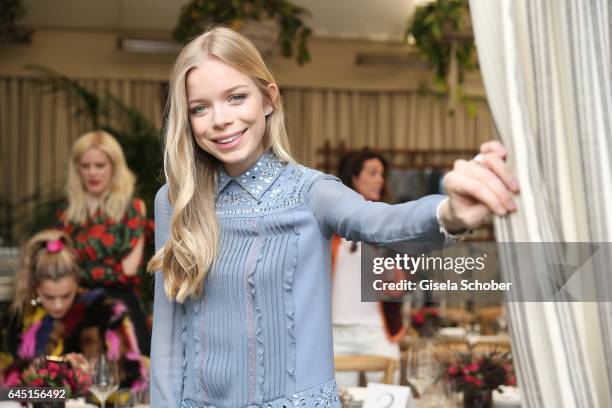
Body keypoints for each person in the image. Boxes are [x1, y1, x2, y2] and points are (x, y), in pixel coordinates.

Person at [149, 27, 519, 407]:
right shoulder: (175, 201)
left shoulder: (312, 192)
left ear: (268, 99)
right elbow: (167, 339)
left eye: (236, 97)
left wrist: (450, 212)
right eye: (200, 108)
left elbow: (383, 223)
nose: (220, 119)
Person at [0, 230, 148, 391]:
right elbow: (6, 387)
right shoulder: (18, 319)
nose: (58, 305)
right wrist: (32, 378)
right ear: (36, 287)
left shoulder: (106, 313)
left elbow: (134, 380)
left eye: (66, 295)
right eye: (49, 297)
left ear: (77, 281)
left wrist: (91, 377)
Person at [55, 130, 150, 355]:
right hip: (76, 308)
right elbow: (61, 268)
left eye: (100, 165)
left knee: (130, 383)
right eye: (85, 166)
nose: (92, 173)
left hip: (121, 306)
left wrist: (82, 270)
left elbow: (128, 269)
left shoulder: (134, 208)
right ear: (77, 169)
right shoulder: (66, 214)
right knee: (71, 381)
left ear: (114, 167)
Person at [331, 149, 405, 387]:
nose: (379, 179)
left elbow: (397, 289)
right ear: (354, 177)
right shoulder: (329, 224)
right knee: (339, 401)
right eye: (372, 173)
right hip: (334, 333)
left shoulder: (389, 225)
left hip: (377, 332)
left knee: (390, 400)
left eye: (382, 174)